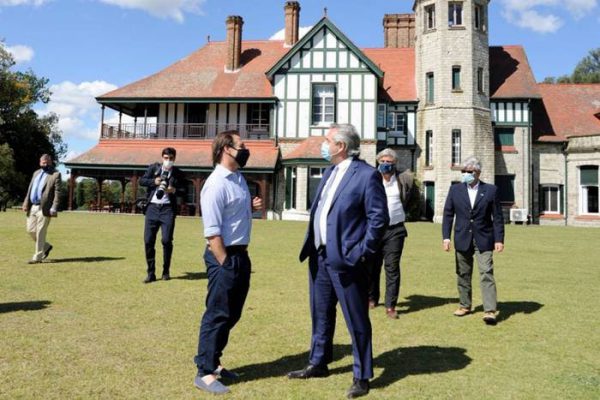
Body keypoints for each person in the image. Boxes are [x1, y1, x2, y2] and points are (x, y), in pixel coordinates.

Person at [287, 123, 388, 399]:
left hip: (347, 261)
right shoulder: (330, 171)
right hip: (319, 257)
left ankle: (362, 375)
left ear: (341, 146)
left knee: (356, 319)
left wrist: (360, 252)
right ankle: (318, 362)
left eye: (328, 140)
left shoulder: (367, 176)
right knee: (320, 312)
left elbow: (378, 219)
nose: (324, 144)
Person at [193, 131, 262, 395]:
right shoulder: (215, 184)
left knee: (233, 313)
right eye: (241, 146)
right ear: (226, 149)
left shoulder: (238, 179)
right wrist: (224, 263)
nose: (246, 150)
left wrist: (250, 207)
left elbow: (232, 214)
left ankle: (213, 361)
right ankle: (204, 372)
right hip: (224, 256)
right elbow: (212, 231)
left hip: (240, 254)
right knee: (218, 313)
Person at [442, 156, 505, 325]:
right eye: (463, 171)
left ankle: (490, 310)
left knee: (486, 272)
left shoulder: (491, 190)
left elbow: (497, 217)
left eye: (468, 172)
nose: (465, 174)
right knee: (463, 273)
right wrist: (446, 237)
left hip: (484, 238)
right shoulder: (455, 190)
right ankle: (464, 305)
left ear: (477, 173)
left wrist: (499, 239)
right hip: (462, 237)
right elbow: (448, 214)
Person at [367, 148, 414, 319]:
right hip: (374, 230)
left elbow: (410, 199)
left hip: (395, 230)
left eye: (390, 162)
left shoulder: (404, 180)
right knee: (372, 266)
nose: (386, 164)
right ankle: (371, 297)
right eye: (383, 161)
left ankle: (390, 306)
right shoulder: (371, 179)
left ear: (395, 164)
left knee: (392, 268)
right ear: (378, 162)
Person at [139, 147, 186, 283]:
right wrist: (154, 182)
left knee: (166, 240)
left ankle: (166, 271)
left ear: (174, 159)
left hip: (168, 210)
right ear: (162, 158)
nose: (168, 161)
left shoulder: (178, 173)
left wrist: (174, 190)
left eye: (171, 158)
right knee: (148, 241)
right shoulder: (153, 168)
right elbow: (142, 181)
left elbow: (184, 191)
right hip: (152, 208)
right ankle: (151, 273)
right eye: (166, 158)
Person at [22, 154, 61, 264]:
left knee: (40, 232)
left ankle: (37, 257)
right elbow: (30, 189)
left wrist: (54, 207)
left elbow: (58, 193)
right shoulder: (36, 173)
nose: (46, 164)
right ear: (40, 163)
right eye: (43, 162)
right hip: (33, 206)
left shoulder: (55, 174)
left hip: (45, 208)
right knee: (30, 230)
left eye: (48, 162)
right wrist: (25, 203)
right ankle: (46, 246)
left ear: (51, 162)